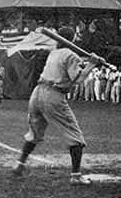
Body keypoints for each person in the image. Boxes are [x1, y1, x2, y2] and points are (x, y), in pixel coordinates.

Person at [12, 26, 103, 185]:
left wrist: (86, 64)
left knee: (34, 133)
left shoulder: (54, 53)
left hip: (37, 92)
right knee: (75, 136)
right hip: (53, 95)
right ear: (72, 39)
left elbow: (68, 69)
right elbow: (77, 79)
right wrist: (92, 64)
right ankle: (76, 176)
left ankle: (20, 164)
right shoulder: (70, 54)